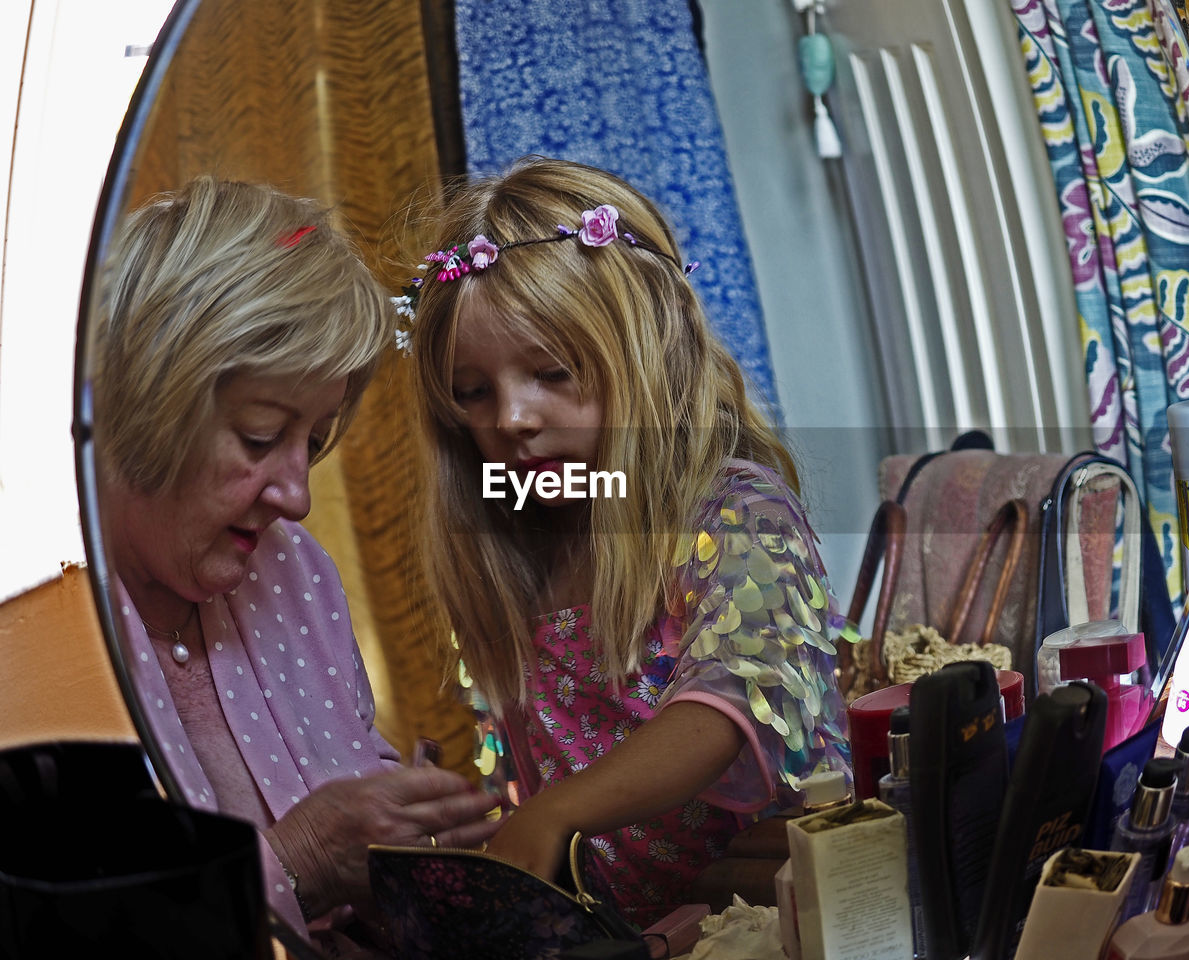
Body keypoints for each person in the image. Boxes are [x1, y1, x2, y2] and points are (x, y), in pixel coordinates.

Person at [406, 157, 853, 924]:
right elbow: (519, 770)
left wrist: (551, 816)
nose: (509, 418)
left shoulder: (738, 515)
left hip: (778, 917)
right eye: (473, 392)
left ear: (651, 353)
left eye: (552, 372)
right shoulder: (521, 553)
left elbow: (728, 707)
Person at [93, 177, 502, 951]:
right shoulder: (45, 625)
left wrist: (411, 848)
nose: (295, 496)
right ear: (145, 401)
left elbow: (352, 779)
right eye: (258, 436)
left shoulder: (295, 573)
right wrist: (301, 859)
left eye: (312, 442)